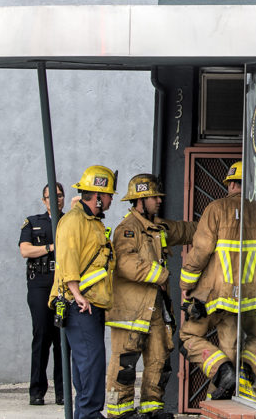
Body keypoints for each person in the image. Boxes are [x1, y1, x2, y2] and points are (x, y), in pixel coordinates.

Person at [104, 174, 197, 419]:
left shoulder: (157, 227)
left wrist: (213, 224)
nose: (159, 200)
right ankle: (119, 411)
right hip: (131, 309)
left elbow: (185, 230)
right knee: (125, 361)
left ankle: (151, 407)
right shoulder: (127, 229)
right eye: (154, 197)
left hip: (156, 307)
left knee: (159, 358)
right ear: (139, 200)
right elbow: (125, 262)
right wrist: (160, 274)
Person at [178, 161, 256, 401]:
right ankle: (244, 372)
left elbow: (201, 250)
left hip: (214, 297)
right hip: (248, 299)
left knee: (188, 336)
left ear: (231, 184)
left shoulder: (216, 209)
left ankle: (224, 372)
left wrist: (186, 284)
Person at [50, 165, 116, 419]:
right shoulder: (73, 222)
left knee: (86, 364)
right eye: (108, 194)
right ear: (97, 196)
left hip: (92, 303)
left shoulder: (93, 223)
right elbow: (67, 259)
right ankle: (89, 414)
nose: (111, 199)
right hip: (79, 304)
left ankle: (86, 413)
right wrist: (76, 294)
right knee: (91, 363)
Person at [18, 182, 66, 406]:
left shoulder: (70, 221)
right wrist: (50, 248)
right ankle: (36, 391)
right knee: (42, 336)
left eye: (59, 196)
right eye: (50, 197)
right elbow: (25, 250)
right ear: (43, 200)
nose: (55, 200)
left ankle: (62, 392)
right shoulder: (33, 221)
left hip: (63, 283)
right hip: (39, 283)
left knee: (61, 339)